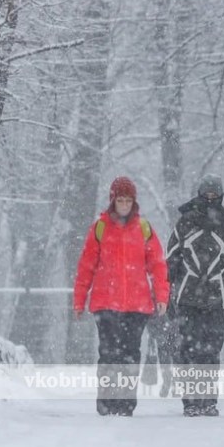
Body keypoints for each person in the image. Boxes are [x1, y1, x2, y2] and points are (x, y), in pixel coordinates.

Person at [74, 176, 170, 416]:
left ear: (133, 202)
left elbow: (158, 265)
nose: (124, 205)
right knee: (108, 353)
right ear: (113, 201)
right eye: (121, 200)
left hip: (137, 307)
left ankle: (125, 404)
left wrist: (161, 297)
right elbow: (86, 266)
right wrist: (79, 300)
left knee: (129, 355)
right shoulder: (100, 227)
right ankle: (107, 403)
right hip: (106, 304)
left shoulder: (144, 228)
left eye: (128, 200)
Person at [166, 174, 224, 417]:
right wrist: (167, 295)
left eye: (215, 195)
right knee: (188, 352)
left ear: (221, 196)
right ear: (200, 194)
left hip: (215, 300)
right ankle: (190, 402)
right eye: (207, 194)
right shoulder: (184, 224)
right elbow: (170, 261)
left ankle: (208, 401)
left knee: (211, 352)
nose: (211, 199)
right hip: (186, 299)